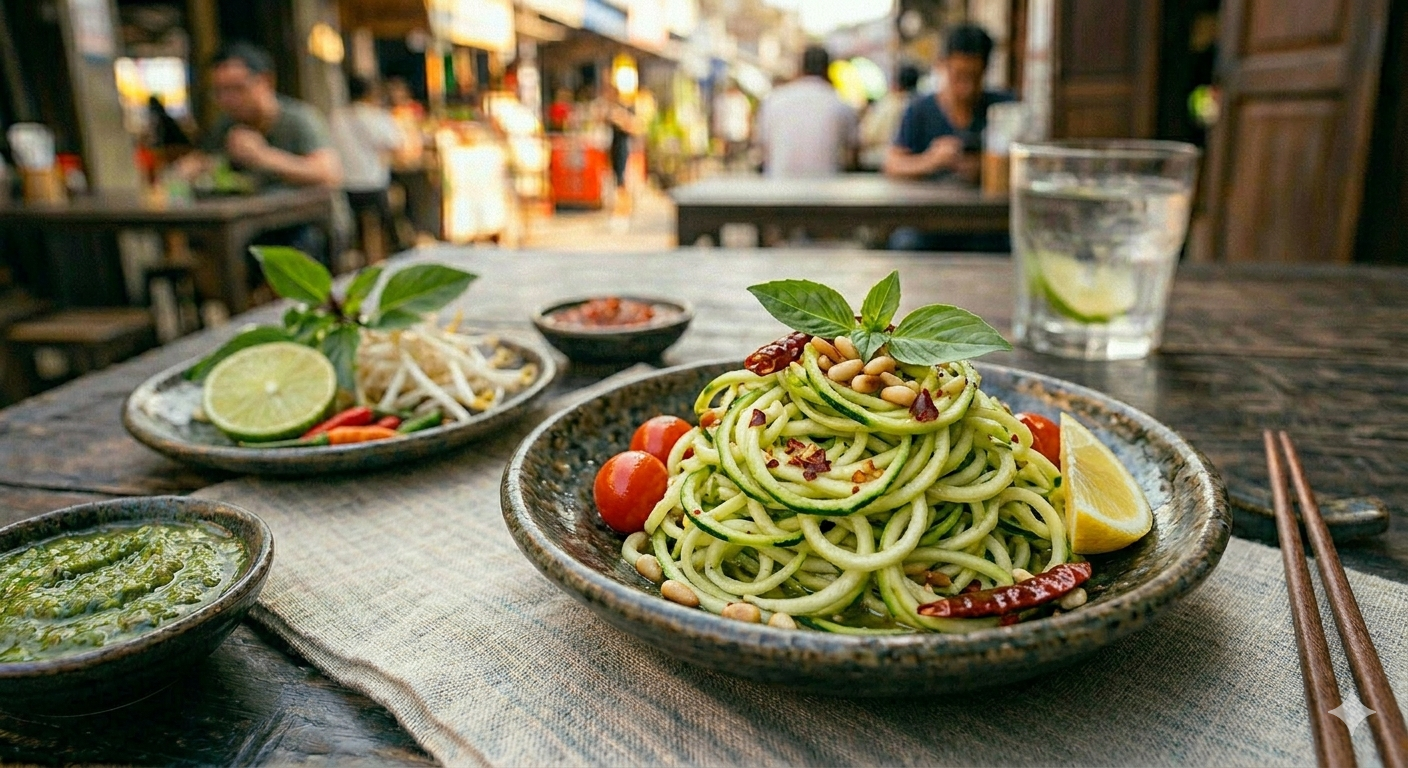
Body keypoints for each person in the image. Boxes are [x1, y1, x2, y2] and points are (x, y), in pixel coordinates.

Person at [186, 42, 341, 191]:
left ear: (265, 81)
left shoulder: (300, 119)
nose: (228, 99)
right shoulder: (226, 125)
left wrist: (262, 156)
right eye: (219, 92)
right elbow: (202, 160)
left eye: (237, 89)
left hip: (309, 216)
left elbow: (329, 174)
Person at [883, 24, 1014, 182]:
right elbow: (892, 165)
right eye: (959, 76)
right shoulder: (919, 110)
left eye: (975, 77)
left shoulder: (1002, 109)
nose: (968, 88)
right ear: (941, 64)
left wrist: (982, 166)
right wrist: (931, 160)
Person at [330, 76, 404, 263]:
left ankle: (362, 263)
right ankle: (395, 258)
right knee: (386, 226)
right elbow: (395, 144)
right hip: (372, 180)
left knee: (357, 230)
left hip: (347, 182)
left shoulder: (336, 116)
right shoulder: (376, 116)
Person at [753, 45, 858, 178]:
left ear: (800, 68)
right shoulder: (841, 104)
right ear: (828, 69)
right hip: (826, 191)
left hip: (779, 189)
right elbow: (852, 154)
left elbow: (763, 148)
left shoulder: (774, 100)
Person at [858, 64, 920, 171]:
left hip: (880, 163)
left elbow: (867, 136)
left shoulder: (888, 105)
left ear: (896, 84)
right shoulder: (919, 105)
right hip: (912, 165)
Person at [711, 80, 752, 169]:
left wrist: (748, 129)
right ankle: (727, 166)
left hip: (739, 130)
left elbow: (747, 115)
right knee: (727, 153)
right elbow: (717, 115)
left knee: (738, 152)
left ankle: (737, 166)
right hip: (725, 129)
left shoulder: (741, 99)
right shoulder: (721, 99)